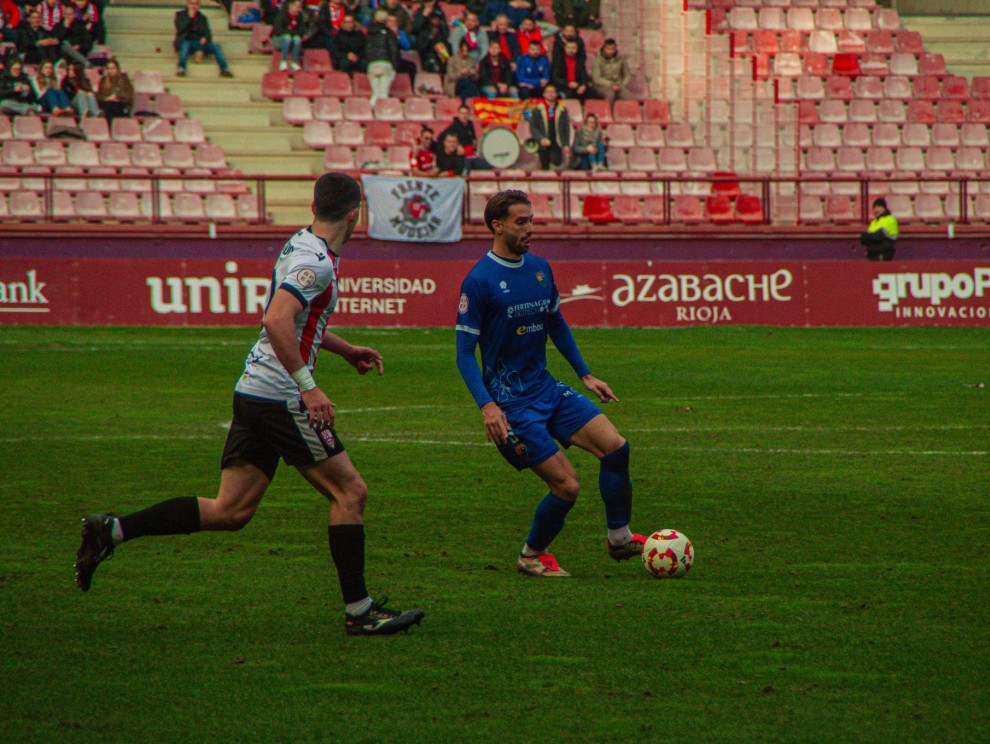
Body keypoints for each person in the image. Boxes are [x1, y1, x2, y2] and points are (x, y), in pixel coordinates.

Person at [74, 172, 426, 638]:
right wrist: (308, 386)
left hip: (255, 390)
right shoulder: (316, 260)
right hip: (280, 395)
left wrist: (345, 351)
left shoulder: (301, 243)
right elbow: (276, 318)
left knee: (231, 510)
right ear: (356, 212)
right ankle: (359, 612)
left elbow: (296, 321)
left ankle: (112, 530)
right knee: (350, 493)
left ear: (314, 207)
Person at [455, 190, 646, 578]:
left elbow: (555, 322)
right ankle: (531, 555)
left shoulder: (540, 267)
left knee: (615, 448)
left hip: (546, 389)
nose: (530, 228)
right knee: (567, 487)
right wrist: (487, 406)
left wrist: (585, 374)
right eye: (521, 221)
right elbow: (463, 353)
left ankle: (619, 537)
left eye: (532, 220)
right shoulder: (479, 281)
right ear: (497, 226)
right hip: (512, 406)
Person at [174, 0, 233, 78]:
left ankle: (224, 69)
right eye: (191, 4)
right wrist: (189, 18)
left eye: (196, 4)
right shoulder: (180, 15)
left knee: (216, 46)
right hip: (186, 41)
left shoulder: (202, 17)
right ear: (187, 4)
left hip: (199, 42)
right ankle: (181, 68)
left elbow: (208, 32)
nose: (194, 6)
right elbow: (180, 29)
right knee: (185, 45)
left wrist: (205, 38)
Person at [525, 84, 570, 170]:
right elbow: (533, 127)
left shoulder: (562, 110)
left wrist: (566, 144)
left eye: (552, 92)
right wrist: (541, 138)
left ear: (556, 94)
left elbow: (566, 128)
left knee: (557, 162)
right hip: (543, 143)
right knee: (544, 166)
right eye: (548, 92)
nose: (550, 94)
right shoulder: (537, 110)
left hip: (557, 142)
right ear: (544, 94)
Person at [364, 9, 398, 107]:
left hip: (372, 64)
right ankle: (383, 114)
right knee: (383, 93)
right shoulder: (388, 32)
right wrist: (395, 66)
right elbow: (393, 50)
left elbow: (366, 49)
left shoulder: (369, 33)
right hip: (385, 63)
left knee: (375, 93)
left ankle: (370, 111)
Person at [272, 0, 311, 71]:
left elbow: (302, 31)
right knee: (287, 37)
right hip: (277, 41)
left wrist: (292, 33)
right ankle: (283, 62)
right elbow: (278, 31)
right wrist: (293, 33)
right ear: (291, 6)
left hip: (292, 40)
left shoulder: (300, 17)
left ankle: (294, 63)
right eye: (298, 7)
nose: (300, 9)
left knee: (297, 39)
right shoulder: (281, 16)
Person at [590, 38, 632, 105]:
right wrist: (611, 84)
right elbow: (596, 78)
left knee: (630, 98)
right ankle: (608, 113)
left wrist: (622, 84)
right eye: (608, 49)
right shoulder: (597, 61)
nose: (610, 51)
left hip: (618, 85)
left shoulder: (621, 60)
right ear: (604, 48)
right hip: (602, 86)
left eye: (613, 49)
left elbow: (627, 75)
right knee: (610, 94)